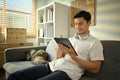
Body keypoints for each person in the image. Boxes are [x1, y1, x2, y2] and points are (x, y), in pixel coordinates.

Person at [7, 10, 104, 80]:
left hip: (67, 73)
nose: (77, 27)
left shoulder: (95, 43)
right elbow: (58, 58)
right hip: (51, 66)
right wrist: (60, 48)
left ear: (89, 23)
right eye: (75, 24)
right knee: (14, 76)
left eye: (81, 24)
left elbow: (96, 69)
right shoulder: (70, 39)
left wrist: (73, 57)